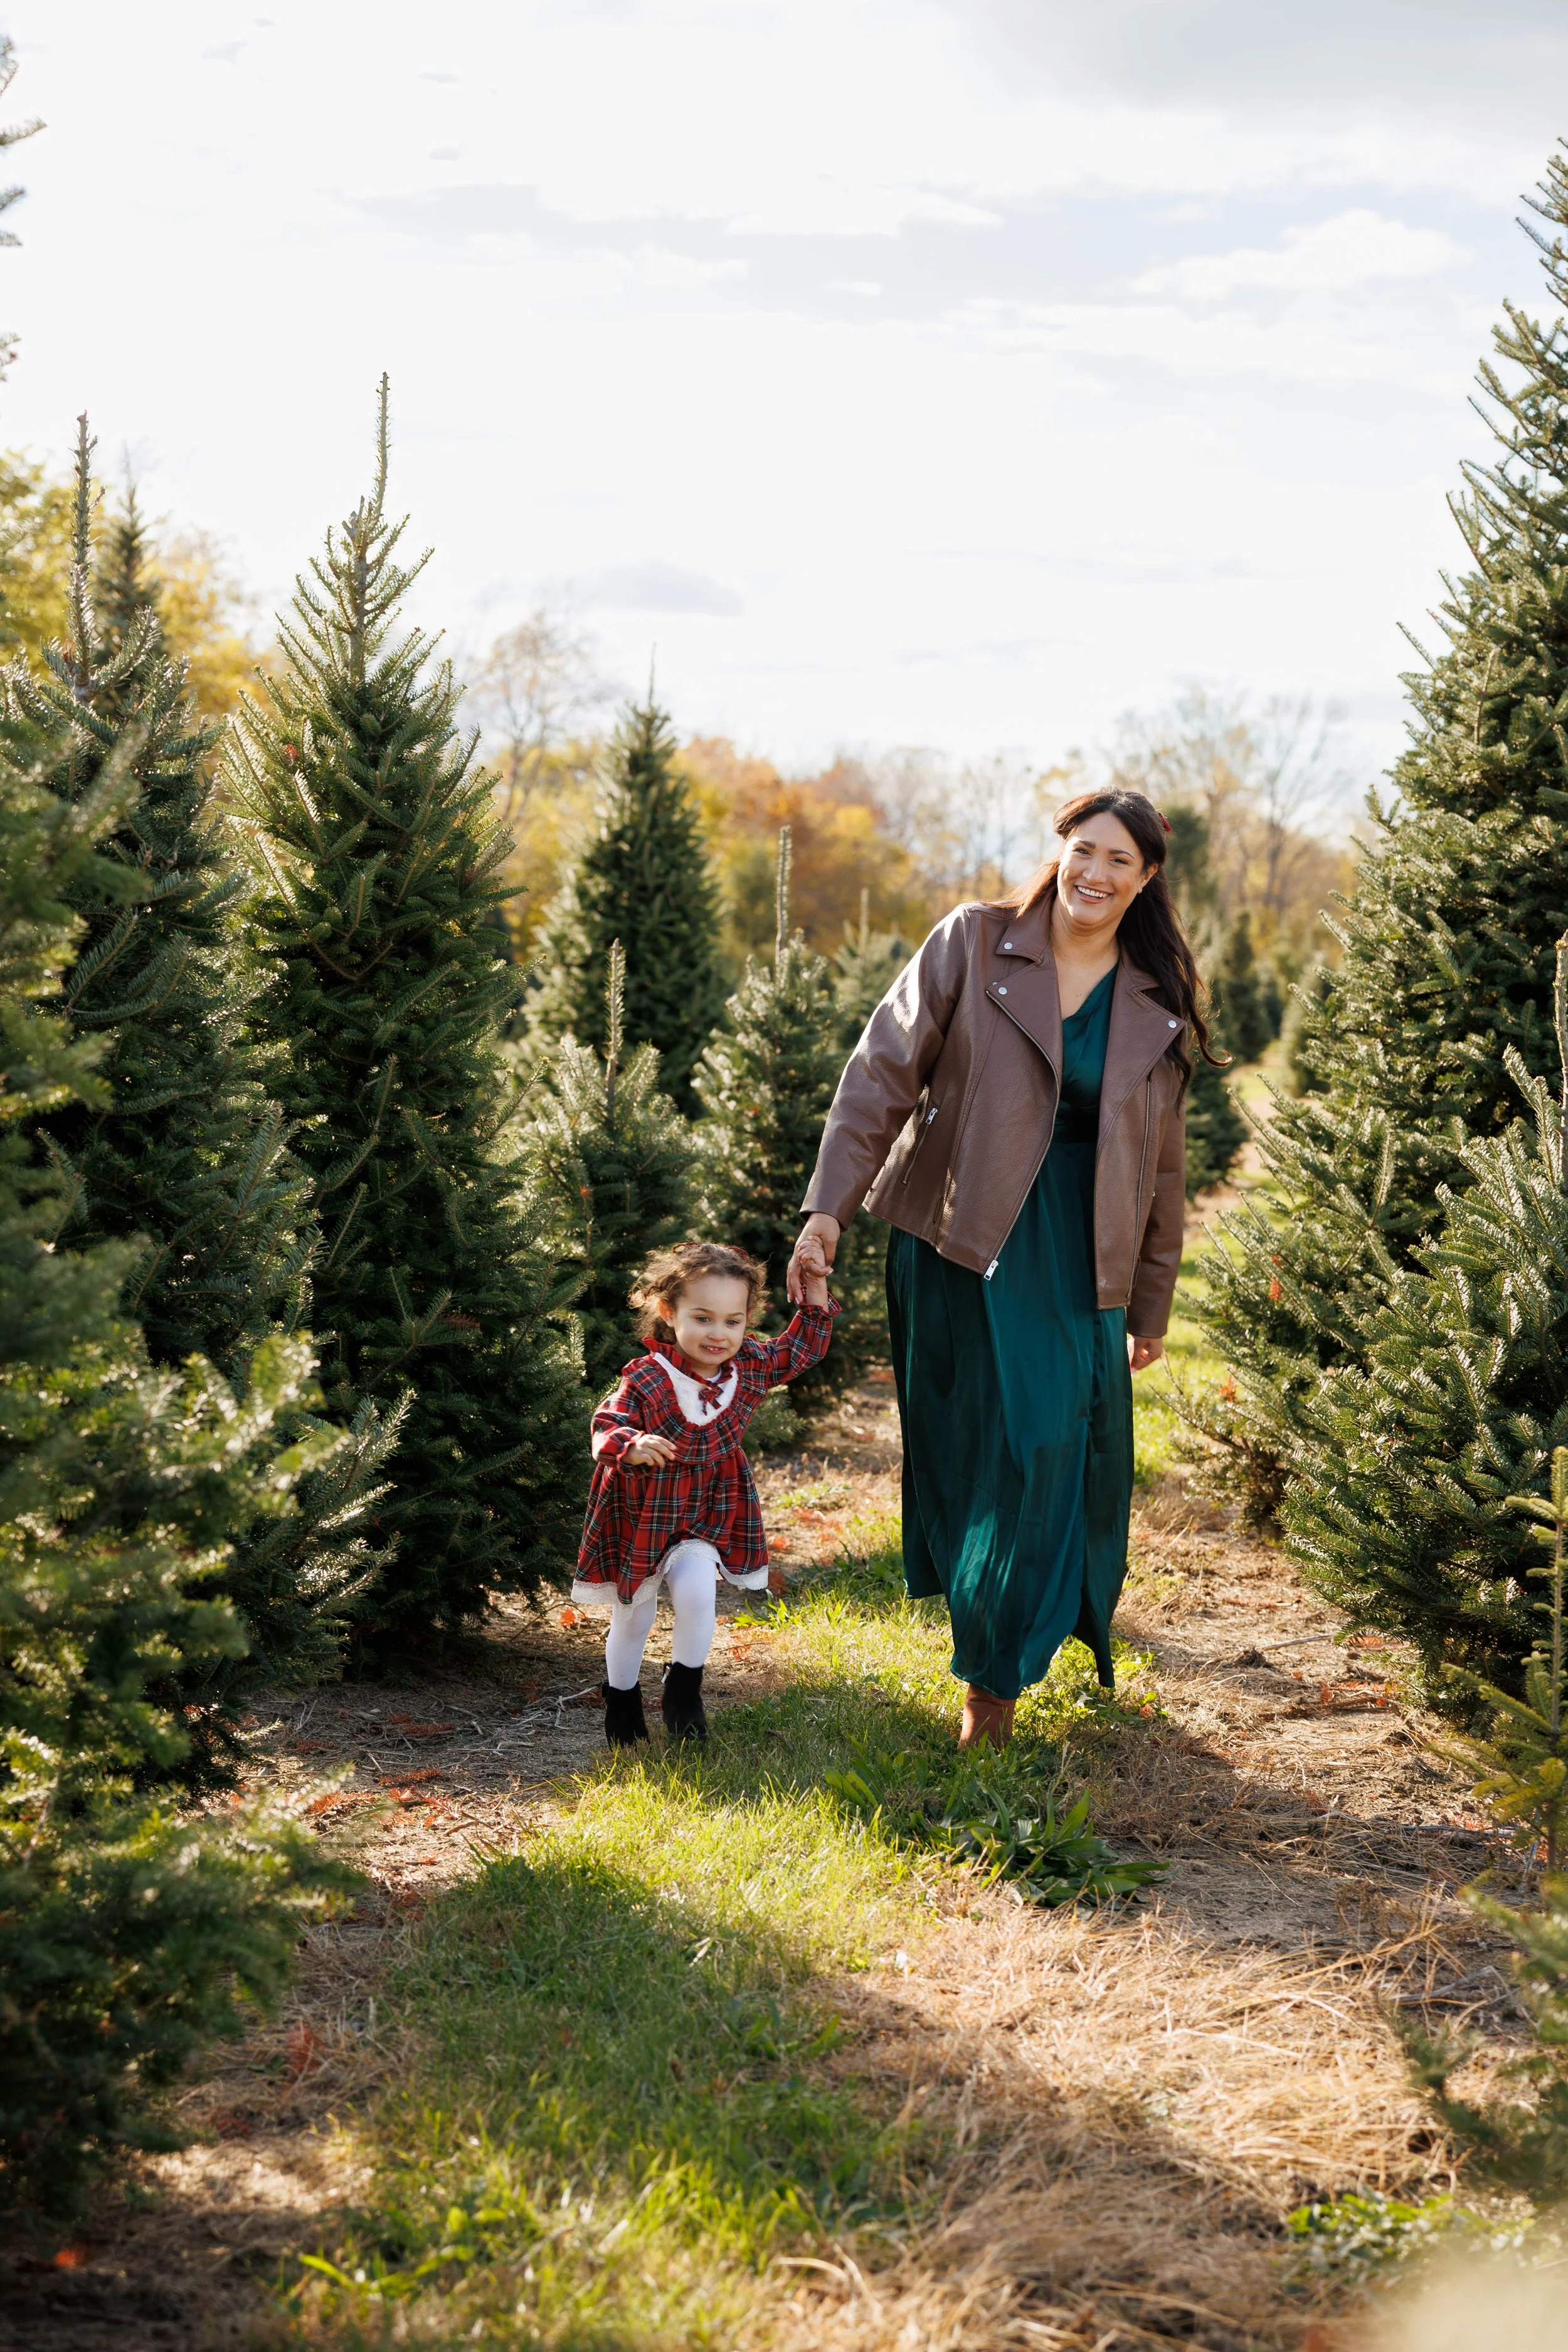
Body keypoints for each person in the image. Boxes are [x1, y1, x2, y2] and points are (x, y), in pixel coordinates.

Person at [788, 788, 1218, 1750]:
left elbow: (1164, 1164)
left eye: (1121, 861)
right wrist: (828, 1211)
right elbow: (879, 1074)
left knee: (1051, 1454)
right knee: (980, 1452)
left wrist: (1150, 1301)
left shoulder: (1154, 1002)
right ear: (1058, 850)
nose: (1096, 874)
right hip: (959, 1234)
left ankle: (996, 1674)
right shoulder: (975, 942)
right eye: (1085, 850)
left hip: (1078, 1250)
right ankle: (989, 1670)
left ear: (1146, 880)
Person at [574, 1239, 837, 1747]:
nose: (718, 1334)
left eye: (732, 1322)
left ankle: (684, 1689)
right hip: (645, 1511)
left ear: (745, 1320)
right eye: (702, 1318)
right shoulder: (650, 1377)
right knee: (636, 1613)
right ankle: (622, 1699)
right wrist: (630, 1444)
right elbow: (607, 1422)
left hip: (707, 1510)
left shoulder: (750, 1368)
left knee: (699, 1592)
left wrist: (816, 1287)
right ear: (669, 1313)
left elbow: (802, 1348)